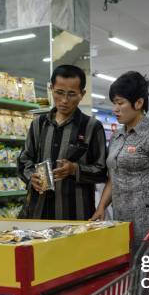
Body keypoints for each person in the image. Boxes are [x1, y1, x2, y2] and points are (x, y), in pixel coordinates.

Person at [91, 71, 149, 248]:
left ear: (139, 103)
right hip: (122, 222)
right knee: (129, 273)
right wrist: (101, 207)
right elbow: (113, 178)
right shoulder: (116, 137)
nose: (115, 109)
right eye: (114, 103)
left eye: (120, 103)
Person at [17, 65, 107, 220]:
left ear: (82, 94)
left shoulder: (92, 127)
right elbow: (24, 159)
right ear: (51, 88)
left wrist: (74, 169)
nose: (64, 100)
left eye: (71, 94)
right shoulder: (38, 124)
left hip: (76, 215)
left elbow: (102, 170)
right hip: (38, 212)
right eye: (59, 92)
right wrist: (32, 176)